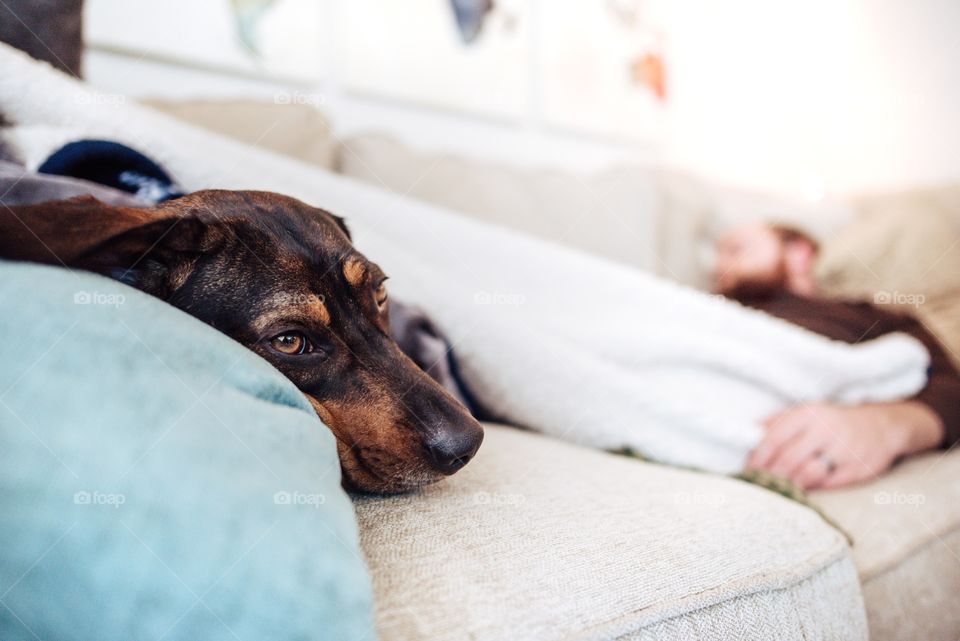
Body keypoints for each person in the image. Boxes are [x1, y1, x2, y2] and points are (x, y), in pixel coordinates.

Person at [713, 222, 960, 490]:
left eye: (736, 249)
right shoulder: (710, 309)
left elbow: (950, 386)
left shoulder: (869, 316)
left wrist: (883, 426)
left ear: (799, 252)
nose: (719, 265)